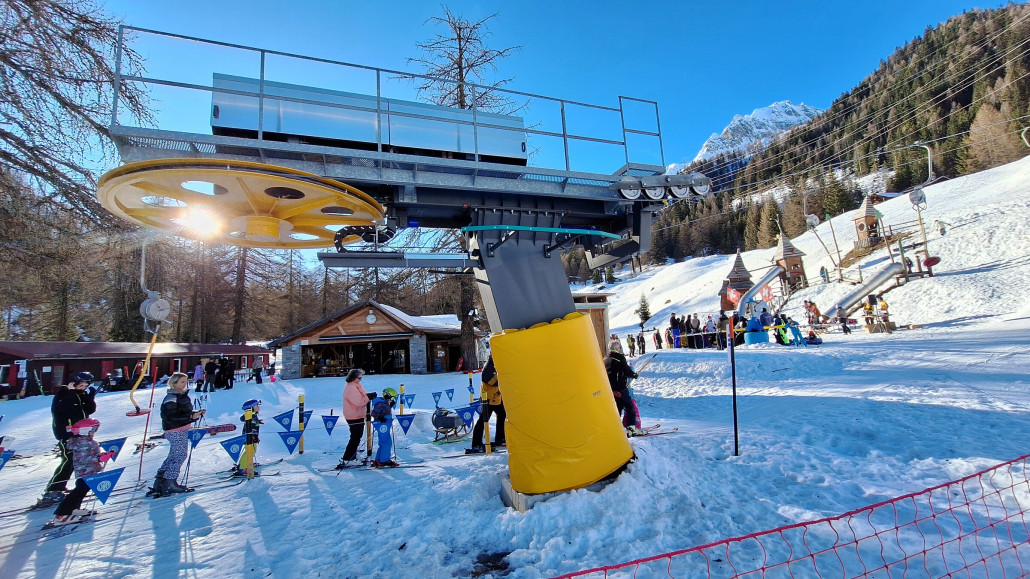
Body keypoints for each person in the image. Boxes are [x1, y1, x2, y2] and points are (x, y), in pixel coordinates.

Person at [39, 372, 97, 508]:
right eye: (81, 385)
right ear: (72, 384)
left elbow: (90, 410)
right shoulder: (63, 395)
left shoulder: (80, 395)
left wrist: (90, 397)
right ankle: (52, 489)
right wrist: (71, 393)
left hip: (82, 434)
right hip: (67, 434)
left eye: (85, 386)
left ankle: (61, 485)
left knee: (74, 461)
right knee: (68, 460)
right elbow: (60, 410)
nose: (83, 388)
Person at [46, 418, 115, 526]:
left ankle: (73, 509)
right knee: (78, 492)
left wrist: (102, 456)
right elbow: (83, 458)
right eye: (93, 429)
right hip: (85, 471)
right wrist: (98, 459)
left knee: (82, 491)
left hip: (89, 470)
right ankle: (62, 514)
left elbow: (90, 455)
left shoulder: (86, 441)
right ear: (84, 430)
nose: (94, 432)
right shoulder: (82, 442)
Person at [149, 372, 204, 497]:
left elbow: (182, 412)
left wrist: (195, 414)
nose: (185, 384)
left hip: (179, 428)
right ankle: (170, 482)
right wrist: (191, 416)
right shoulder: (171, 398)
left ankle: (161, 480)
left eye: (186, 381)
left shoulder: (179, 395)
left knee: (174, 455)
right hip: (175, 430)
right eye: (182, 382)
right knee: (179, 456)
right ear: (174, 384)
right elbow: (171, 417)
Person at [337, 369, 374, 468]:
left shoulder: (356, 386)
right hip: (353, 415)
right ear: (353, 377)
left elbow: (362, 396)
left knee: (357, 436)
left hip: (357, 414)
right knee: (355, 437)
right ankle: (348, 458)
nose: (361, 380)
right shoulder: (351, 388)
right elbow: (359, 402)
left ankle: (353, 454)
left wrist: (368, 396)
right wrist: (368, 398)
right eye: (359, 378)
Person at [470, 357, 505, 454]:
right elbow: (489, 380)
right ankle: (476, 444)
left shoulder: (498, 366)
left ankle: (500, 437)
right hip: (488, 399)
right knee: (483, 421)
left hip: (497, 398)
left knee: (502, 415)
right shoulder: (489, 367)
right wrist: (503, 379)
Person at [604, 346, 641, 436]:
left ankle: (616, 428)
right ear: (617, 348)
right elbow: (627, 370)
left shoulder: (605, 358)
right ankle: (631, 428)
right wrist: (634, 375)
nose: (621, 348)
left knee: (618, 408)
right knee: (629, 407)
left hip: (612, 389)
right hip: (621, 387)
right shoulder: (619, 358)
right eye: (620, 347)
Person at [370, 387, 399, 467]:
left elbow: (384, 410)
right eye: (392, 398)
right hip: (382, 425)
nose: (393, 400)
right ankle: (384, 460)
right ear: (387, 396)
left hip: (384, 425)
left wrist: (389, 406)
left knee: (383, 442)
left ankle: (379, 459)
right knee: (387, 442)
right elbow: (374, 413)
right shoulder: (380, 403)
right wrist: (380, 418)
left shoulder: (384, 403)